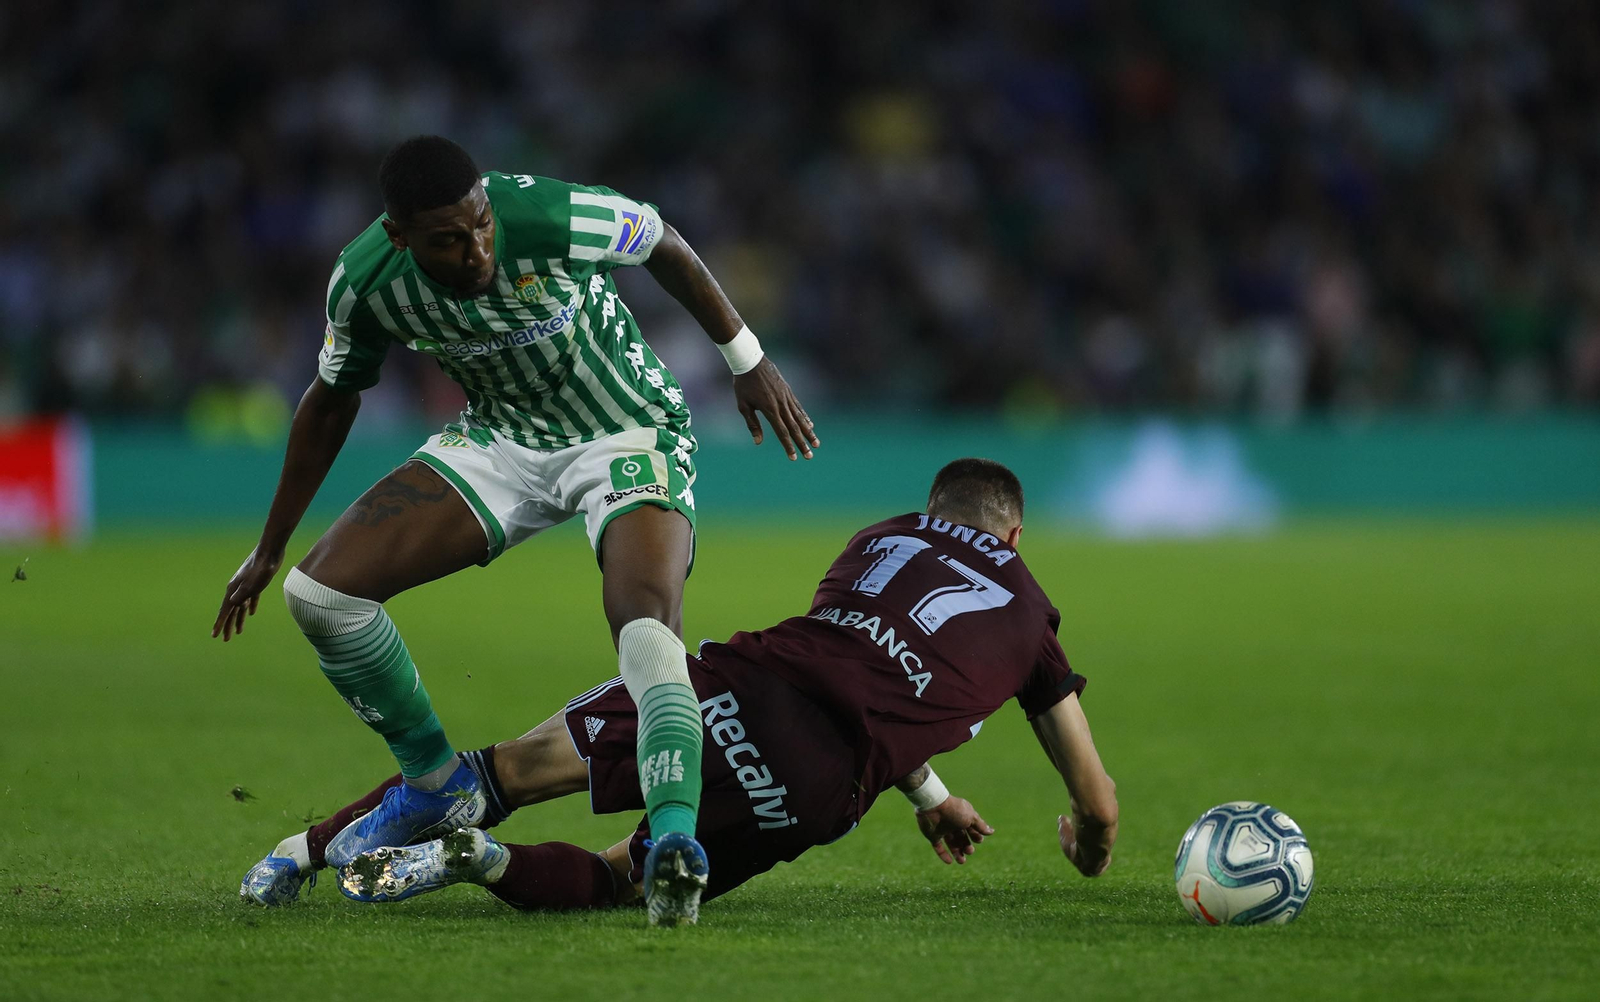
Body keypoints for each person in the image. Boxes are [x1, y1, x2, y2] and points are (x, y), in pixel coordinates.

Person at [216, 135, 819, 926]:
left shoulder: (548, 214)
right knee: (321, 597)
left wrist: (746, 359)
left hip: (626, 430)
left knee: (643, 624)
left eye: (481, 226)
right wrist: (270, 546)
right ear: (399, 236)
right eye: (448, 239)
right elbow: (330, 400)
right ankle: (437, 788)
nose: (476, 250)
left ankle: (676, 844)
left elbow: (664, 241)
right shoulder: (364, 283)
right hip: (503, 440)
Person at [241, 459, 1118, 922]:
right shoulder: (1031, 613)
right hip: (816, 779)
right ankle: (489, 866)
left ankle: (304, 851)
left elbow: (846, 654)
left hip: (727, 685)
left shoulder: (880, 536)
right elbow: (1096, 793)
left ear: (934, 506)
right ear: (1014, 528)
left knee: (494, 771)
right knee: (625, 880)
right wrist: (1090, 838)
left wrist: (928, 792)